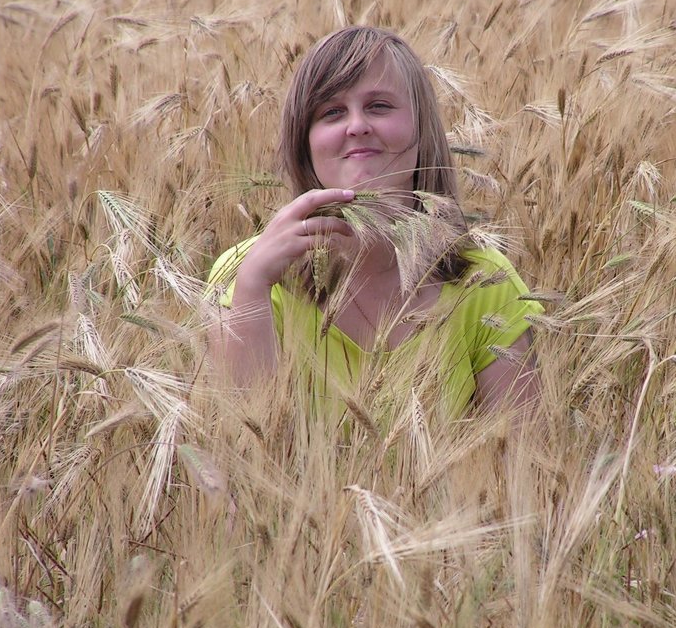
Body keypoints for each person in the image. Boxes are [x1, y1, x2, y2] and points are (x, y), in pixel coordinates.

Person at [207, 26, 541, 419]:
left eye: (379, 106)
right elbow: (242, 451)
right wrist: (252, 287)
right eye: (331, 112)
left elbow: (520, 463)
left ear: (421, 130)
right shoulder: (245, 273)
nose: (356, 126)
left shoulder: (484, 283)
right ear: (304, 144)